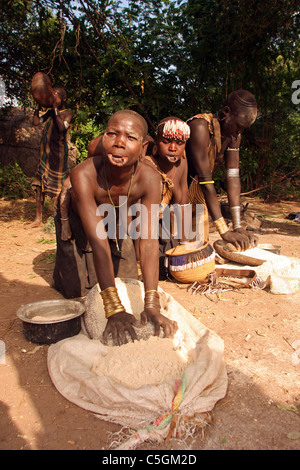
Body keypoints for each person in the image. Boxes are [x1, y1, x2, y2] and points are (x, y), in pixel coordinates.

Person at [54, 109, 177, 345]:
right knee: (77, 289)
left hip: (117, 214)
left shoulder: (150, 178)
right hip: (82, 213)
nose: (119, 142)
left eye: (130, 138)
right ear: (103, 138)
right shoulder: (84, 174)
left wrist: (151, 304)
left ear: (142, 148)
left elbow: (148, 240)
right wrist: (113, 310)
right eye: (112, 134)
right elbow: (99, 242)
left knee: (127, 278)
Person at [186, 89, 259, 250]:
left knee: (198, 252)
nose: (239, 133)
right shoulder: (200, 127)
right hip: (179, 196)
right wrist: (224, 231)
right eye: (238, 126)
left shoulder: (234, 136)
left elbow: (233, 177)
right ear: (226, 112)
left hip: (198, 197)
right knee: (180, 253)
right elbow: (205, 180)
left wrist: (238, 225)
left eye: (243, 129)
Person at [141, 116, 192, 278]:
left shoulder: (182, 165)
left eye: (179, 143)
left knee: (173, 262)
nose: (173, 147)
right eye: (166, 141)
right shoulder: (146, 164)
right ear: (156, 142)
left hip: (162, 225)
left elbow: (182, 202)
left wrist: (185, 246)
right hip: (138, 227)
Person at [30, 86, 74, 227]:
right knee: (38, 185)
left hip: (58, 156)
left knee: (58, 188)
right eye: (52, 95)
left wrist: (54, 109)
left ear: (64, 99)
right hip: (46, 156)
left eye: (57, 96)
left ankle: (60, 217)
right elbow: (36, 122)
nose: (54, 98)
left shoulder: (68, 113)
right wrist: (38, 105)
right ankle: (38, 219)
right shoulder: (50, 113)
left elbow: (61, 128)